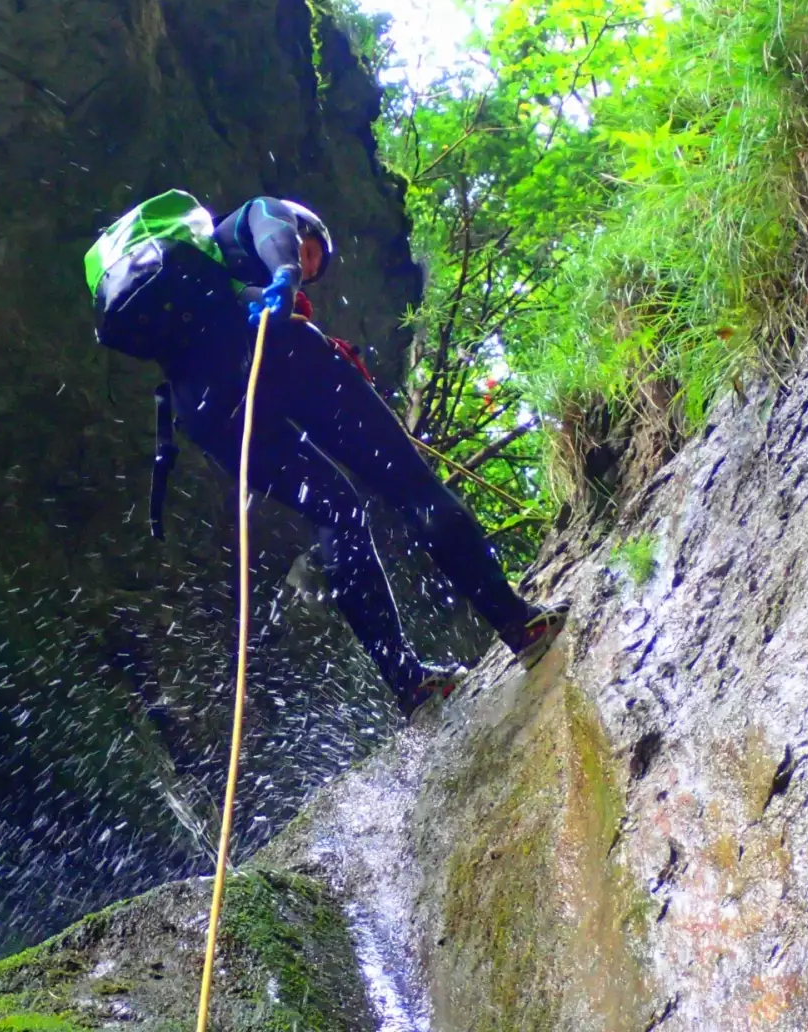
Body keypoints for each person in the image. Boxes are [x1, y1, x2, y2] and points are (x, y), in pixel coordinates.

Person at [85, 191, 566, 715]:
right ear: (307, 228)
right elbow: (274, 230)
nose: (312, 267)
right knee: (409, 483)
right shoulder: (251, 226)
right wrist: (288, 276)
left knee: (338, 513)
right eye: (315, 253)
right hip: (276, 348)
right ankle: (517, 624)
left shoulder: (194, 280)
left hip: (202, 406)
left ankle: (411, 685)